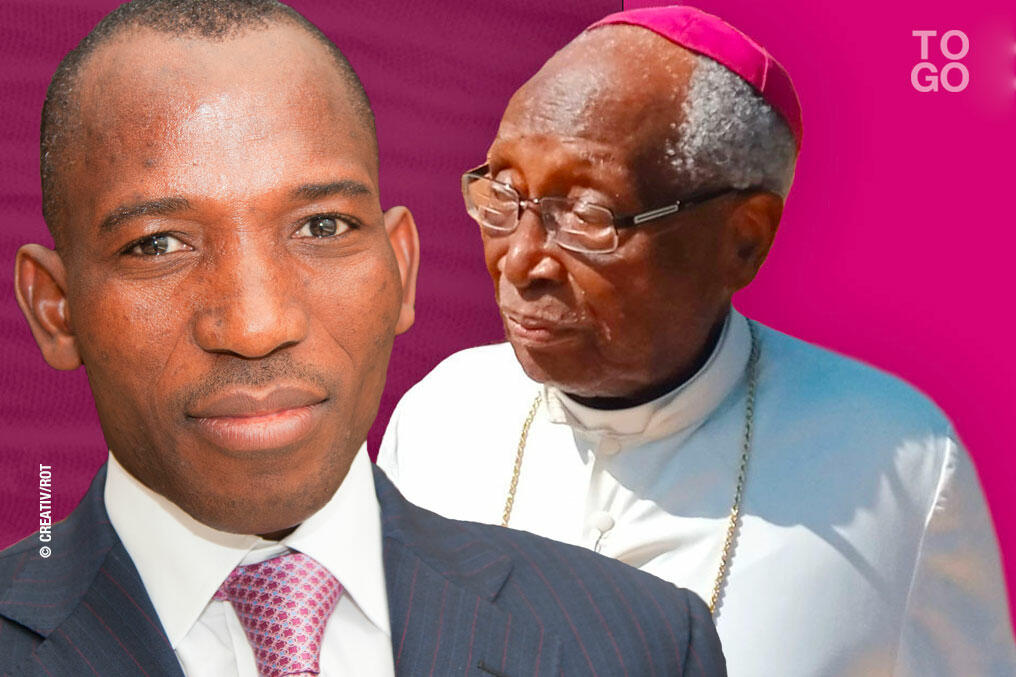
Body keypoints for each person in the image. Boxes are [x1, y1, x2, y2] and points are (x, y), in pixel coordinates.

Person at [0, 2, 727, 675]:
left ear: (401, 271)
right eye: (158, 244)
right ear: (56, 308)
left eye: (322, 227)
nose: (257, 327)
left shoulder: (643, 643)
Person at [377, 5, 1015, 676]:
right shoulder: (441, 415)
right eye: (504, 194)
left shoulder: (896, 461)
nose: (519, 261)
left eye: (588, 213)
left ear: (743, 239)